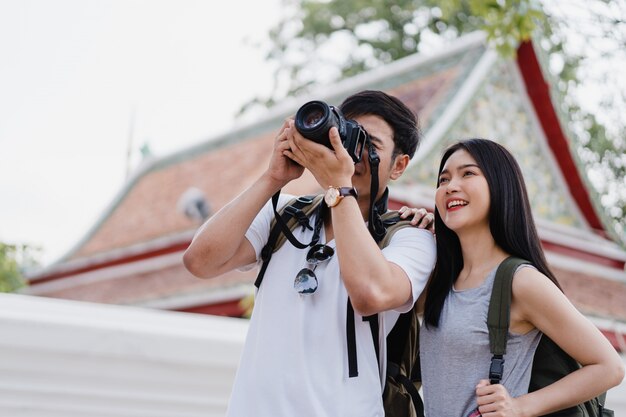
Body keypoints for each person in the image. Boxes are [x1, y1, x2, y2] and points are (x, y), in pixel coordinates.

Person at [183, 90, 437, 417]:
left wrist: (339, 187)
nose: (352, 154)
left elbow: (371, 293)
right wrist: (273, 177)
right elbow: (199, 261)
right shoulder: (285, 214)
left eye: (369, 145)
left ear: (399, 165)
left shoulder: (410, 236)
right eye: (348, 137)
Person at [419, 138, 624, 416]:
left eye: (468, 173)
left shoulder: (520, 281)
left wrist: (519, 407)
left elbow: (609, 366)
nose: (450, 186)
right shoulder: (440, 281)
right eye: (443, 179)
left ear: (500, 185)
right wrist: (407, 231)